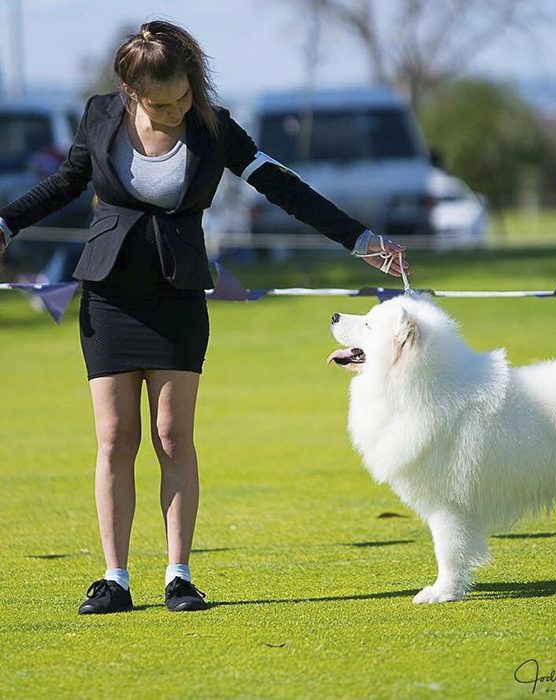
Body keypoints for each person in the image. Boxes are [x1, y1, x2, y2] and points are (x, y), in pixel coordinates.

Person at [0, 20, 409, 615]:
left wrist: (359, 238)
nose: (176, 110)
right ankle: (114, 578)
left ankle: (178, 575)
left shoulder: (214, 127)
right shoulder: (98, 116)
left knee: (172, 435)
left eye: (184, 96)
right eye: (162, 103)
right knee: (115, 439)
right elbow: (66, 182)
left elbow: (284, 188)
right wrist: (6, 223)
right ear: (131, 90)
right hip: (109, 294)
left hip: (177, 296)